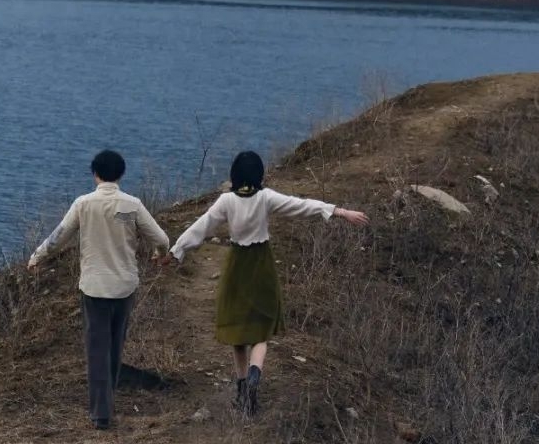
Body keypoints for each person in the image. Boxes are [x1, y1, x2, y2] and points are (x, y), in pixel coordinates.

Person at [166, 150, 368, 415]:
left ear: (235, 175)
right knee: (261, 332)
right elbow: (301, 205)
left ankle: (241, 389)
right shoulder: (265, 198)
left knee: (237, 330)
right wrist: (338, 211)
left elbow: (202, 226)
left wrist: (176, 251)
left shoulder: (226, 201)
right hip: (261, 266)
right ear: (259, 174)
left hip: (237, 267)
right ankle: (254, 376)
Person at [28, 149, 169, 429]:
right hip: (125, 286)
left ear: (95, 174)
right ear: (121, 174)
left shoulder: (84, 204)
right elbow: (161, 238)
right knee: (116, 345)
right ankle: (109, 398)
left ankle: (101, 413)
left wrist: (37, 257)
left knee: (97, 349)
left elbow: (58, 237)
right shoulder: (131, 205)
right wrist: (159, 253)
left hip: (94, 287)